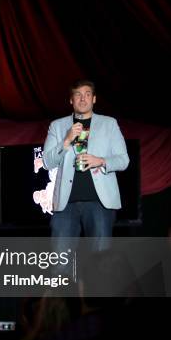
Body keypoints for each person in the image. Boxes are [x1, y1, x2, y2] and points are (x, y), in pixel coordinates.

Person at [43, 80, 129, 267]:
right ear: (71, 100)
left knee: (102, 264)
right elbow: (48, 162)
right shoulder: (57, 126)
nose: (83, 98)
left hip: (99, 203)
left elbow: (124, 160)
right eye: (78, 94)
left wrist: (101, 161)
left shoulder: (109, 124)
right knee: (60, 264)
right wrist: (66, 141)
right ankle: (60, 296)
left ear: (94, 99)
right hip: (65, 205)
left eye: (87, 94)